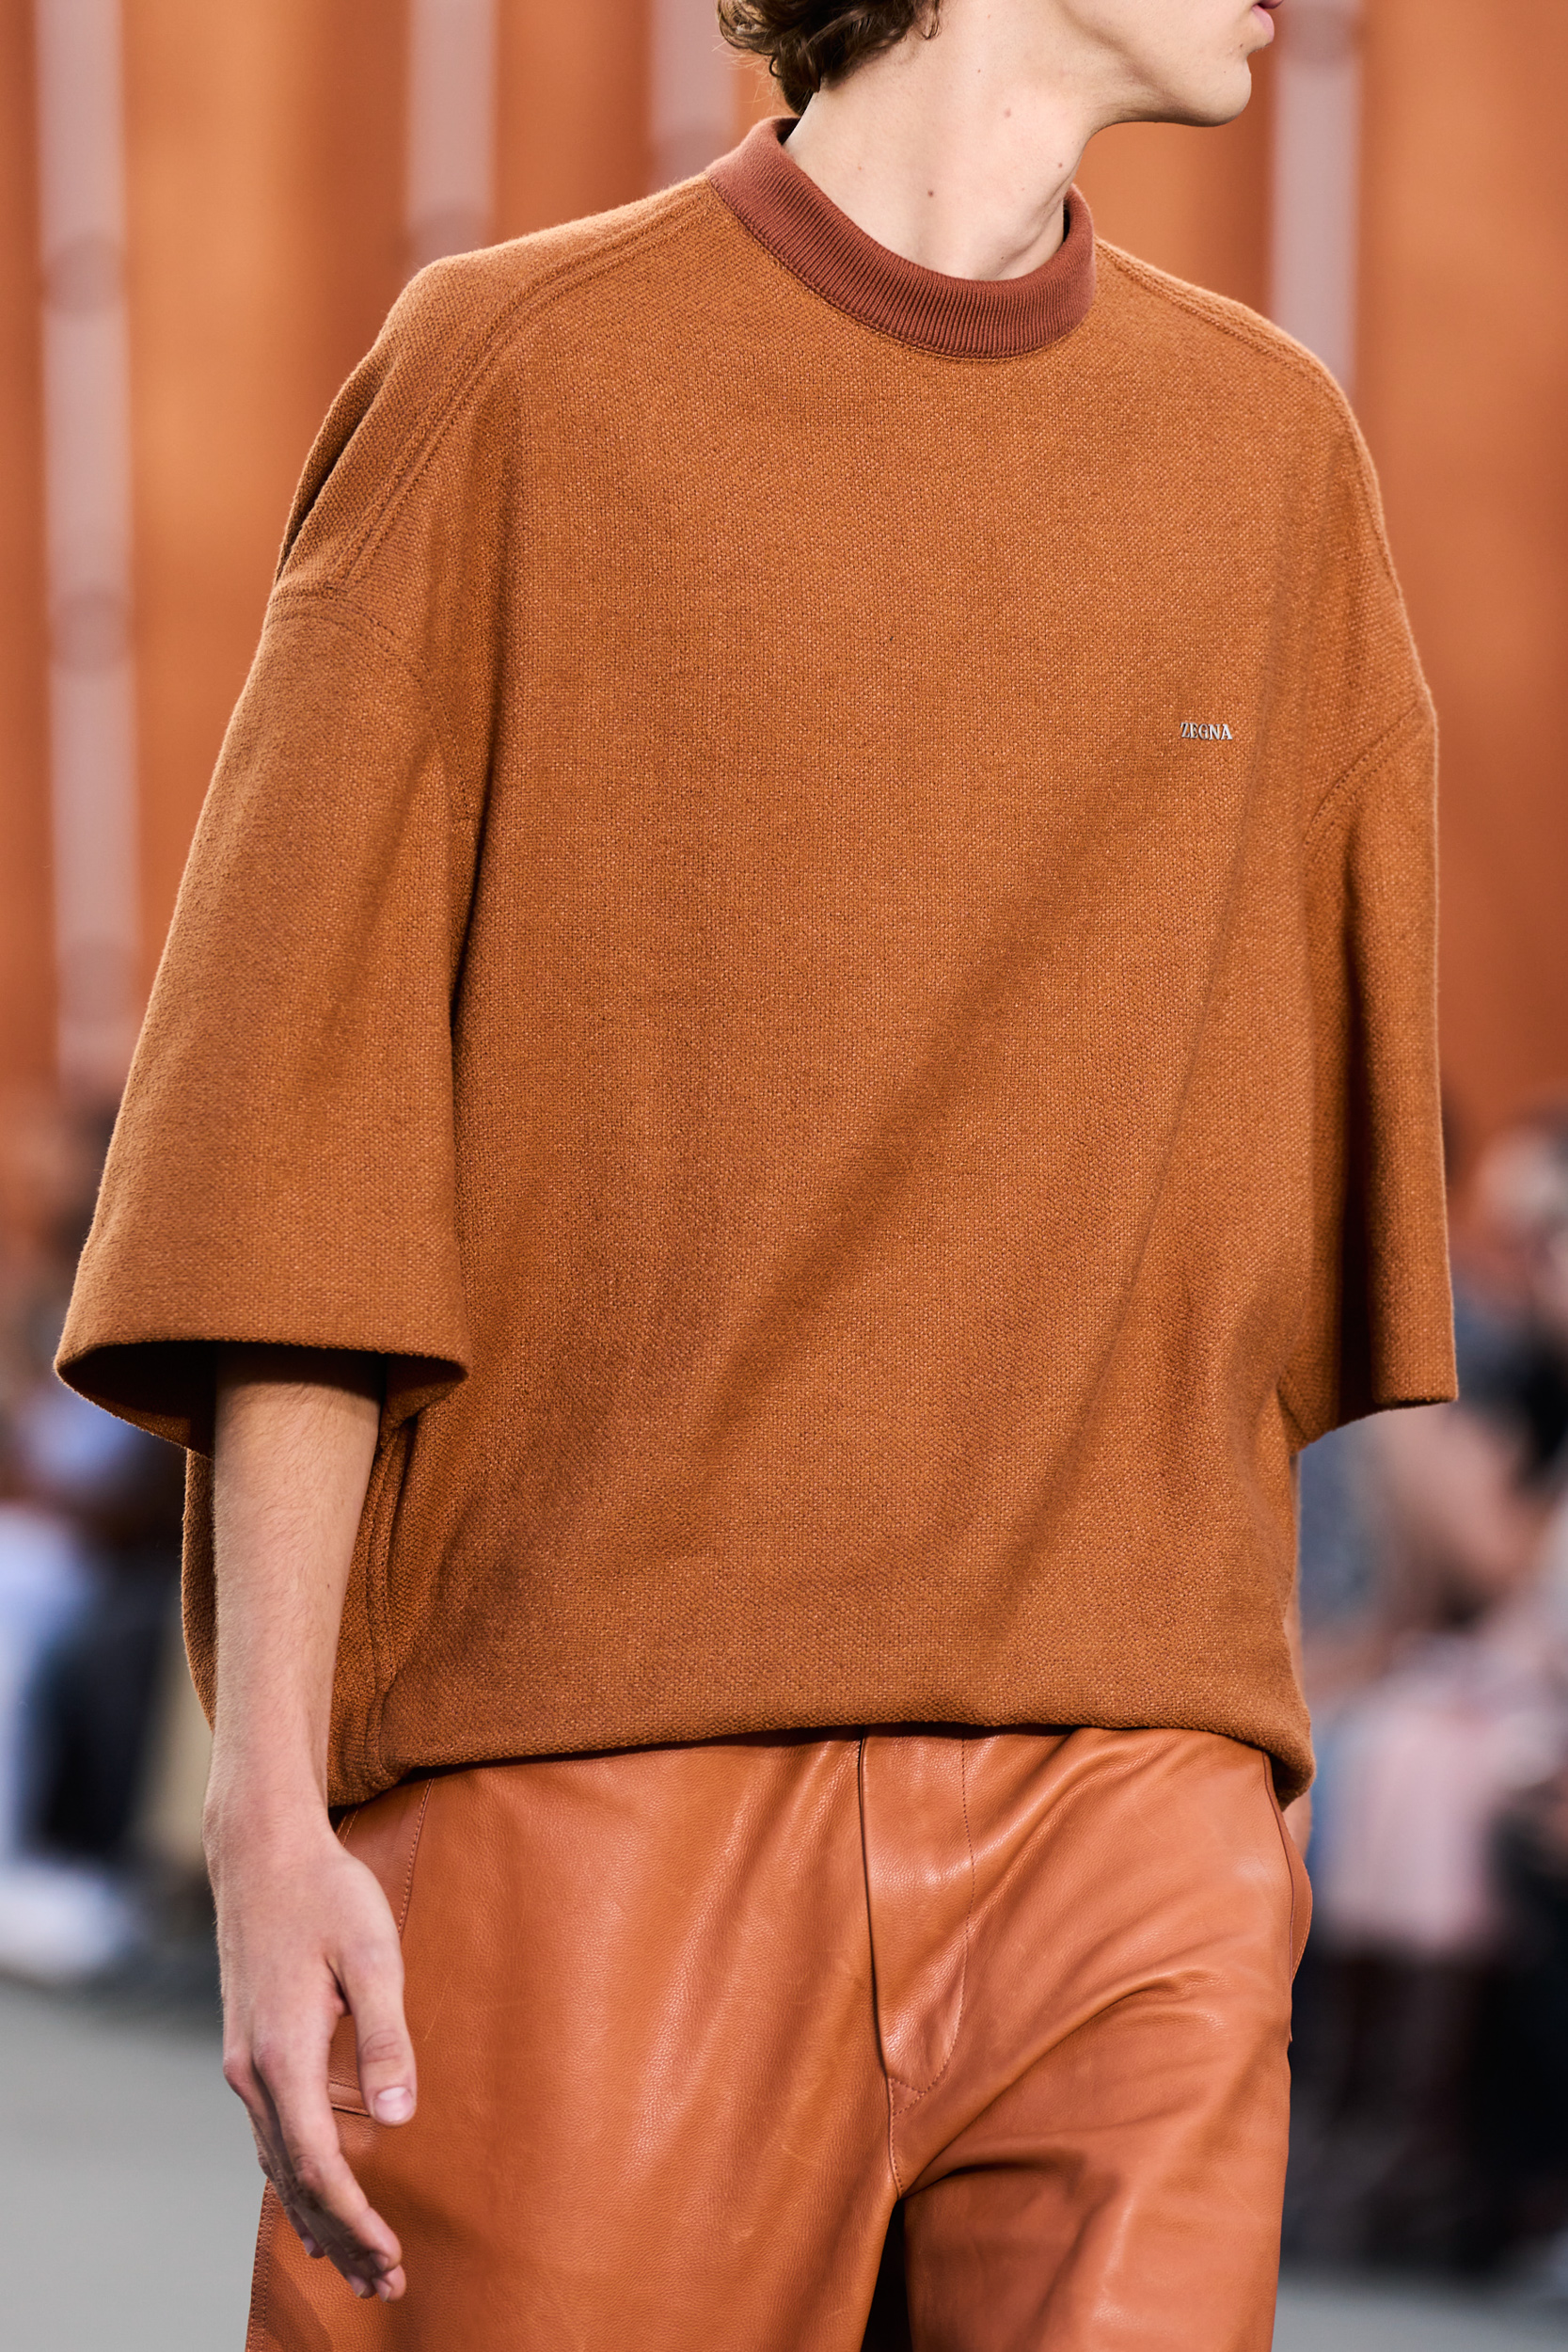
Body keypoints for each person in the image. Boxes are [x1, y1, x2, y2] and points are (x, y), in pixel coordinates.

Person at [57, 0, 1455, 2343]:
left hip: (1134, 1800)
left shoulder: (1271, 450)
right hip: (594, 1786)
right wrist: (266, 1808)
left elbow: (1274, 1216)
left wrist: (1233, 1785)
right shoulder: (519, 377)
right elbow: (296, 1145)